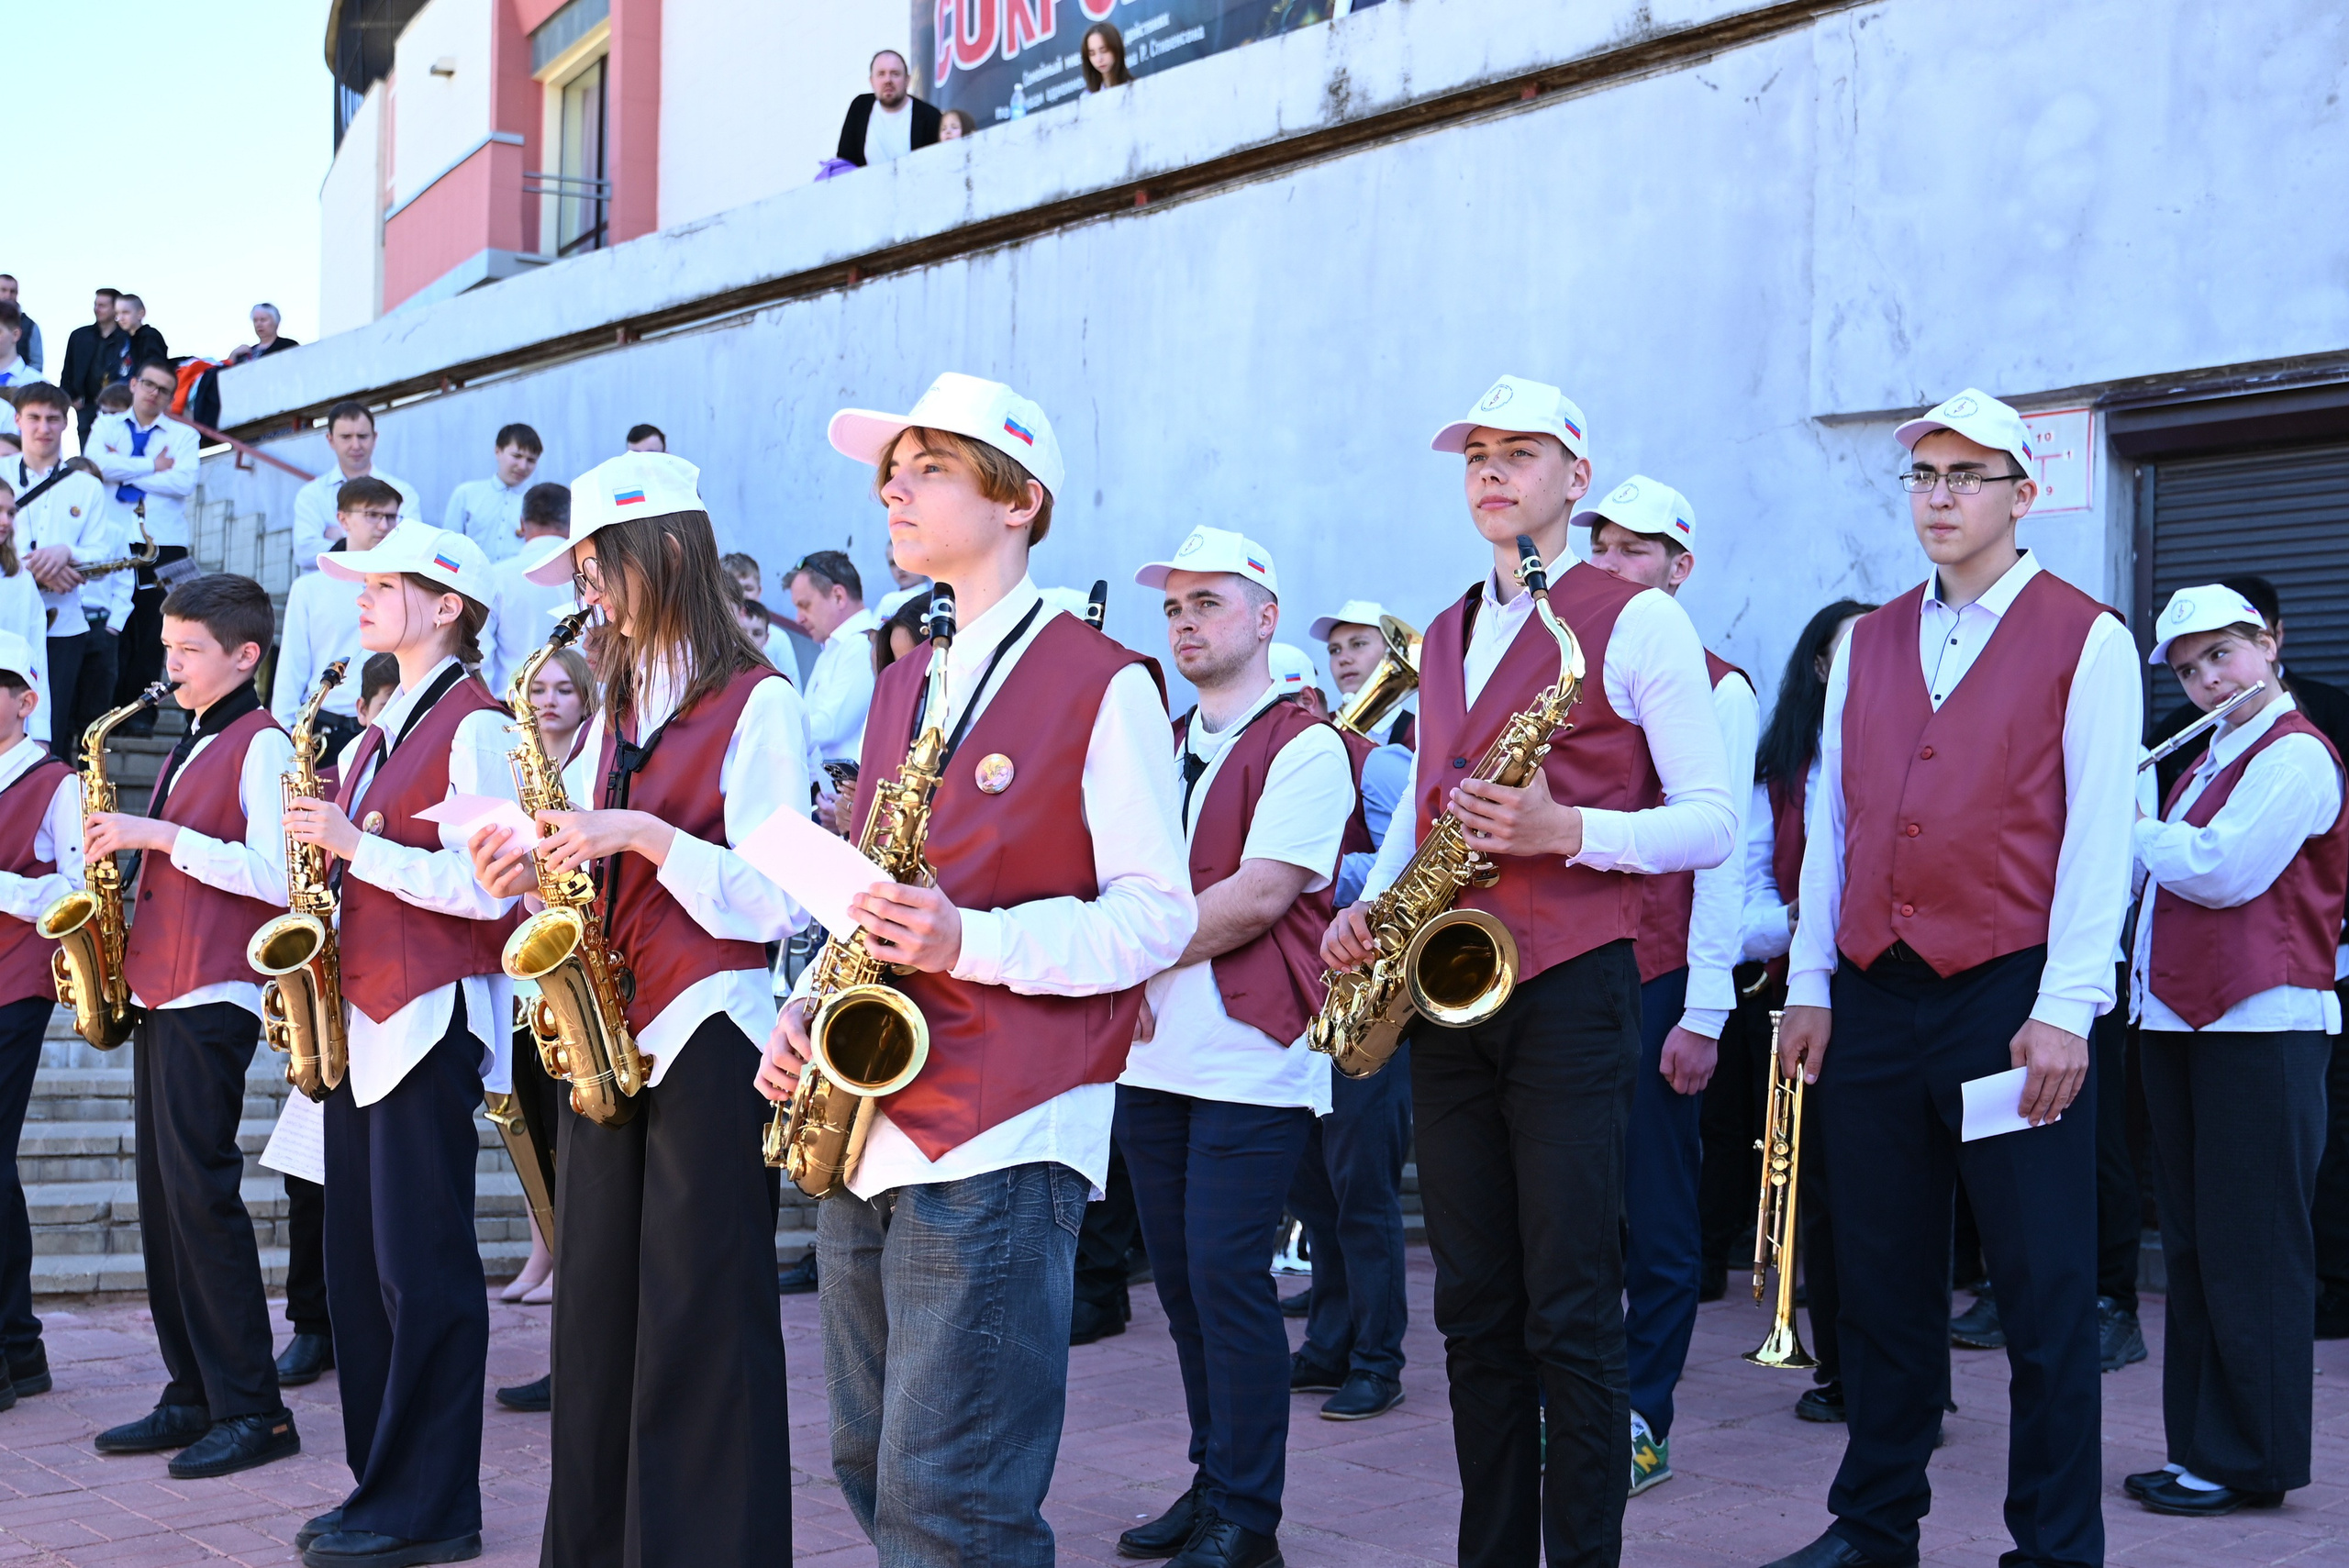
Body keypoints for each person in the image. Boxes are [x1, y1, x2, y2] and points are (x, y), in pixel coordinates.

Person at [757, 372, 1193, 1567]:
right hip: (868, 1107)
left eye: (929, 466)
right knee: (872, 1465)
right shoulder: (908, 676)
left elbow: (1158, 917)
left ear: (1019, 500)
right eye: (889, 469)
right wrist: (807, 1004)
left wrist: (971, 940)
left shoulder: (1106, 682)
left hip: (1007, 1126)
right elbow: (877, 885)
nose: (893, 486)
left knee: (953, 1499)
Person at [1321, 375, 1735, 1568]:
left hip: (1572, 986)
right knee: (1473, 1308)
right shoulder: (1443, 629)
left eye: (1520, 453)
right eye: (1476, 456)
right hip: (1453, 989)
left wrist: (1574, 834)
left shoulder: (1639, 620)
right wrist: (1373, 906)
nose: (1493, 472)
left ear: (1575, 480)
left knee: (1567, 1306)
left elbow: (1712, 822)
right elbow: (1433, 802)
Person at [1768, 389, 2138, 1568]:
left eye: (1966, 476)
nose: (1938, 495)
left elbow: (2097, 836)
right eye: (1923, 475)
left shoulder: (2088, 635)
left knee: (2040, 1289)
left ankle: (2054, 1546)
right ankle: (1874, 1525)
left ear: (2022, 496)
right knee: (1875, 1279)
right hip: (1875, 991)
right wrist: (1811, 980)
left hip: (2007, 990)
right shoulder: (1865, 638)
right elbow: (1833, 818)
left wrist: (2064, 1008)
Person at [470, 449, 810, 1568]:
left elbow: (770, 893)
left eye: (598, 568)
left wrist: (643, 836)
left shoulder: (760, 697)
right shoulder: (614, 702)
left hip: (709, 1030)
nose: (586, 593)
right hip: (608, 1033)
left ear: (663, 553)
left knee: (700, 1329)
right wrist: (524, 856)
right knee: (599, 1325)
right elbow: (579, 852)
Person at [1116, 528, 1351, 1568]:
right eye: (1172, 608)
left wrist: (1120, 959)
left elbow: (1259, 894)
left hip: (1249, 1051)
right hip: (1150, 1056)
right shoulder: (1162, 741)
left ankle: (1248, 1518)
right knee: (1180, 1285)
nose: (1184, 623)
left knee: (1227, 1278)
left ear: (1263, 617)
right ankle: (1214, 1479)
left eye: (1207, 603)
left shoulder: (1306, 742)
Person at [280, 524, 514, 1568]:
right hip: (364, 1014)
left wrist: (352, 844)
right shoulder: (377, 728)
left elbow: (484, 893)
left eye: (385, 584)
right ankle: (381, 1486)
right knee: (362, 1264)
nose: (364, 598)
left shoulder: (480, 727)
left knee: (423, 1270)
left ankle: (430, 1504)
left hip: (426, 1017)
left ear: (447, 603)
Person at [2118, 584, 2343, 1518]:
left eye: (2223, 655)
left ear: (2269, 645)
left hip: (2262, 1028)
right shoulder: (2210, 752)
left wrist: (2119, 817)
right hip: (2179, 1025)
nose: (2208, 679)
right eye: (2187, 666)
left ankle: (2249, 1458)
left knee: (2253, 1252)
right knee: (2201, 1250)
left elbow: (2220, 871)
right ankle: (2202, 1450)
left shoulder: (2297, 756)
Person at [87, 573, 302, 1478]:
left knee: (203, 1201)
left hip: (215, 995)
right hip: (164, 988)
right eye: (166, 648)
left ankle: (254, 1406)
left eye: (186, 651)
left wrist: (158, 837)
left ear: (243, 655)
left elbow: (277, 874)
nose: (166, 666)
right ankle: (192, 1389)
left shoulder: (262, 744)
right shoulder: (193, 736)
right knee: (166, 1204)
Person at [1571, 475, 1757, 1496]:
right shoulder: (1562, 665)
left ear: (1678, 568)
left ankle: (1644, 1412)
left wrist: (1703, 1007)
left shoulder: (1718, 682)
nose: (1611, 562)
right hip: (1565, 973)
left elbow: (1721, 856)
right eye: (1601, 543)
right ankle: (1583, 1394)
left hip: (1654, 975)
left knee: (1656, 1209)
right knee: (1573, 1206)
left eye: (1636, 549)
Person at [1705, 597, 1873, 1423]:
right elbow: (1742, 907)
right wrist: (1807, 923)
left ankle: (1905, 1378)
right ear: (1817, 665)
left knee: (1892, 1202)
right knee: (1827, 1198)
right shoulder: (1782, 769)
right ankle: (1844, 1369)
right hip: (1800, 998)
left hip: (1893, 997)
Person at [275, 651, 402, 1394]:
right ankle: (311, 1321)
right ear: (361, 712)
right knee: (308, 1182)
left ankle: (353, 1330)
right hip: (331, 983)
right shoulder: (350, 759)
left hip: (379, 990)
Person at [500, 640, 594, 1318]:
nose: (549, 700)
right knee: (530, 1119)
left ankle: (574, 1254)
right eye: (540, 690)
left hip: (580, 959)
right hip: (524, 962)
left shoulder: (593, 761)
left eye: (564, 688)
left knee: (567, 1119)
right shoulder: (517, 768)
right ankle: (544, 1246)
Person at [0, 629, 76, 1410]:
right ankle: (19, 1346)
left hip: (17, 982)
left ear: (26, 699)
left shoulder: (55, 780)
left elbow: (77, 892)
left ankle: (11, 1349)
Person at [89, 360, 200, 722]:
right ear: (134, 384)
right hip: (115, 539)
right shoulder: (105, 424)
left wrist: (124, 470)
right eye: (148, 384)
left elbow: (183, 482)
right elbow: (95, 466)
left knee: (157, 630)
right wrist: (153, 466)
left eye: (163, 389)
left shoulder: (184, 436)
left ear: (170, 397)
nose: (154, 393)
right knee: (114, 626)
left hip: (165, 543)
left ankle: (141, 716)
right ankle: (106, 710)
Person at [7, 384, 112, 751]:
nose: (43, 428)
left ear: (66, 423)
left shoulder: (87, 487)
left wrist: (66, 552)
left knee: (53, 727)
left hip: (64, 625)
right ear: (17, 420)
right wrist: (32, 569)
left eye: (53, 418)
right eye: (34, 418)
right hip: (8, 619)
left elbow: (101, 553)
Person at [273, 479, 404, 761]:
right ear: (343, 519)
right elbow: (291, 669)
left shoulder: (407, 588)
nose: (383, 526)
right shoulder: (309, 587)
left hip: (392, 723)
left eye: (391, 516)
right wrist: (283, 736)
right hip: (324, 730)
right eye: (372, 515)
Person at [292, 404, 421, 572]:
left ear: (375, 438)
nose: (356, 445)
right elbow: (304, 553)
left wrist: (341, 538)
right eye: (346, 437)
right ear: (330, 440)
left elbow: (411, 548)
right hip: (330, 592)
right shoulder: (311, 494)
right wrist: (374, 540)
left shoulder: (403, 492)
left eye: (362, 436)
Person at [786, 549, 878, 765]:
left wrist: (775, 732)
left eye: (804, 605)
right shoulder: (832, 647)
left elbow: (830, 726)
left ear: (838, 596)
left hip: (853, 793)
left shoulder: (861, 645)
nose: (798, 618)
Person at [485, 483, 575, 692]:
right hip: (584, 707)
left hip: (509, 708)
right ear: (574, 523)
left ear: (521, 523)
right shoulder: (595, 574)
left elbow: (481, 656)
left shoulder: (495, 576)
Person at [1311, 599, 1416, 748]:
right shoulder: (1317, 729)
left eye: (1358, 644)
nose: (1343, 659)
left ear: (1392, 651)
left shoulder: (1422, 736)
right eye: (1334, 650)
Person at [442, 423, 543, 563]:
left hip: (518, 582)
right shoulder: (466, 493)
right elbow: (448, 547)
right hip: (471, 581)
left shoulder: (538, 501)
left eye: (531, 460)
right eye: (516, 456)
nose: (523, 466)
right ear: (498, 451)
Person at [0, 484, 53, 740]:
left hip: (10, 726)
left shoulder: (21, 579)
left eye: (11, 513)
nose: (5, 521)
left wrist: (40, 734)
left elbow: (36, 660)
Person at [836, 49, 941, 168]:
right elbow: (845, 161)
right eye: (881, 74)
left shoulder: (930, 117)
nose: (888, 80)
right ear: (872, 81)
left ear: (907, 80)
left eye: (895, 74)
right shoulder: (860, 107)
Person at [60, 290, 126, 445]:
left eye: (102, 305)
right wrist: (70, 399)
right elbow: (67, 370)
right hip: (86, 406)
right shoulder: (79, 336)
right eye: (95, 304)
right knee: (88, 456)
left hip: (119, 408)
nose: (97, 309)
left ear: (115, 308)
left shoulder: (127, 337)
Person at [227, 303, 298, 365]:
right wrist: (233, 355)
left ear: (276, 322)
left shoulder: (288, 346)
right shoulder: (246, 352)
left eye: (263, 320)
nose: (259, 324)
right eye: (255, 320)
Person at [0, 277, 41, 373]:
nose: (8, 295)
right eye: (3, 290)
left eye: (12, 291)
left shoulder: (30, 326)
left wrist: (22, 382)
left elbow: (36, 363)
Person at [114, 295, 167, 369]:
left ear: (141, 314)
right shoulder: (120, 338)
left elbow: (155, 365)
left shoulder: (150, 337)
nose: (120, 318)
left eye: (125, 312)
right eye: (117, 313)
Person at [1082, 23, 1134, 91]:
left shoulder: (1136, 88)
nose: (1099, 59)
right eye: (1092, 54)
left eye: (1104, 51)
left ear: (1116, 49)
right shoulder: (1086, 97)